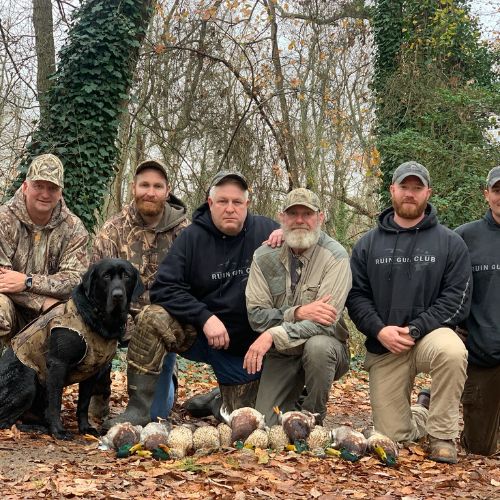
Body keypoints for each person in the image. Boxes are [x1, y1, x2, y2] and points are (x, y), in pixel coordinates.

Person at [106, 171, 280, 426]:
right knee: (153, 317)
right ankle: (139, 409)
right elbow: (164, 288)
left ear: (247, 205)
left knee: (247, 419)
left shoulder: (268, 231)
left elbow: (310, 244)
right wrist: (204, 317)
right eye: (222, 201)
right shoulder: (192, 237)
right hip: (201, 335)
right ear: (210, 204)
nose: (230, 208)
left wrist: (290, 236)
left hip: (245, 348)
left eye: (237, 202)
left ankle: (216, 400)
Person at [346, 160, 471, 464]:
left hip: (428, 338)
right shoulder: (367, 245)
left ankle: (442, 435)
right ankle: (422, 411)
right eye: (404, 186)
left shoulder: (450, 243)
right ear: (393, 190)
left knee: (453, 350)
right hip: (385, 343)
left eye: (417, 188)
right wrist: (378, 329)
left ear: (428, 192)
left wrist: (415, 329)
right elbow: (356, 296)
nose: (410, 194)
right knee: (392, 436)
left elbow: (456, 300)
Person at [92, 159, 188, 425]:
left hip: (162, 324)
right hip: (116, 317)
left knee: (157, 413)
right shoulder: (113, 230)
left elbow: (192, 287)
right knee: (98, 329)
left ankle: (166, 379)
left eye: (157, 186)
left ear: (167, 191)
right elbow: (96, 285)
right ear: (133, 188)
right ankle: (97, 397)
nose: (150, 191)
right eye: (144, 185)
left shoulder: (185, 232)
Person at [245, 188, 351, 426]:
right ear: (282, 217)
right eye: (293, 214)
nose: (300, 220)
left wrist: (274, 332)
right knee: (266, 424)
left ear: (320, 218)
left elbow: (326, 322)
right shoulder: (263, 256)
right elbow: (256, 316)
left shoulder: (335, 257)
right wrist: (298, 312)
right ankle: (290, 399)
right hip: (282, 352)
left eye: (308, 213)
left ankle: (313, 418)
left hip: (326, 348)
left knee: (318, 348)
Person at [0, 154, 89, 349]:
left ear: (60, 193)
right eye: (38, 186)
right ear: (25, 187)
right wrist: (42, 301)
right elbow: (3, 282)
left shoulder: (74, 228)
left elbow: (75, 280)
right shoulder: (3, 220)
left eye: (52, 188)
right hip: (17, 308)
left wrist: (27, 281)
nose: (45, 194)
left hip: (55, 315)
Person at [455, 166, 500, 457]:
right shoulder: (464, 238)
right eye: (497, 190)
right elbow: (450, 298)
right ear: (487, 194)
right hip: (483, 357)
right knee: (479, 450)